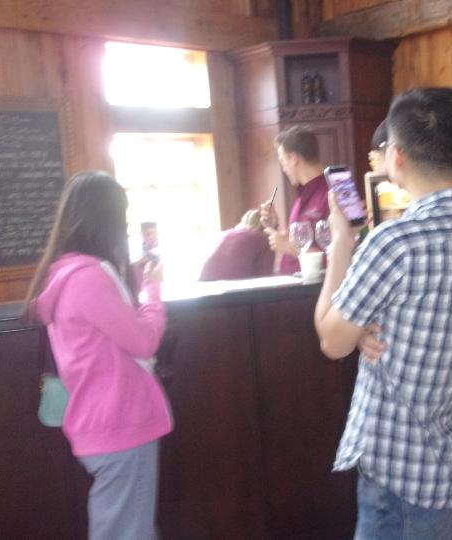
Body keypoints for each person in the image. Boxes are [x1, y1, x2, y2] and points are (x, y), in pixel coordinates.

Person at [313, 87, 452, 539]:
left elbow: (331, 340)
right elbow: (429, 323)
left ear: (395, 156)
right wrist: (368, 327)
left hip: (400, 473)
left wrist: (341, 242)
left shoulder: (394, 243)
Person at [25, 171, 171, 539]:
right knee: (128, 532)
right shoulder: (89, 279)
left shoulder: (65, 273)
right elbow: (143, 341)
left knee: (126, 528)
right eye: (122, 216)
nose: (126, 226)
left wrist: (135, 278)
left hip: (99, 422)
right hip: (122, 423)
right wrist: (154, 291)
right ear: (107, 219)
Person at [260, 126, 330, 275]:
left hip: (314, 286)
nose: (283, 169)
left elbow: (338, 256)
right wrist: (275, 226)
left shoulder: (331, 194)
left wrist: (288, 246)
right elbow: (299, 242)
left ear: (293, 158)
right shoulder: (302, 196)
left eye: (282, 160)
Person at [199, 209, 275, 281]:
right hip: (232, 287)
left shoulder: (224, 235)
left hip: (203, 285)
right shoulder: (264, 241)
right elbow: (265, 279)